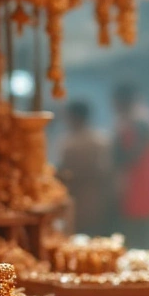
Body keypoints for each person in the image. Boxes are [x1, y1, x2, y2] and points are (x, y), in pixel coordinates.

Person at [110, 81, 149, 247]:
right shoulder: (142, 120)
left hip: (139, 192)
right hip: (143, 193)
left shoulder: (137, 122)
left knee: (142, 242)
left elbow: (128, 157)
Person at [56, 100, 113, 235]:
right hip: (94, 200)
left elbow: (63, 172)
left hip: (84, 198)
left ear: (74, 117)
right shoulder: (101, 140)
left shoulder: (68, 143)